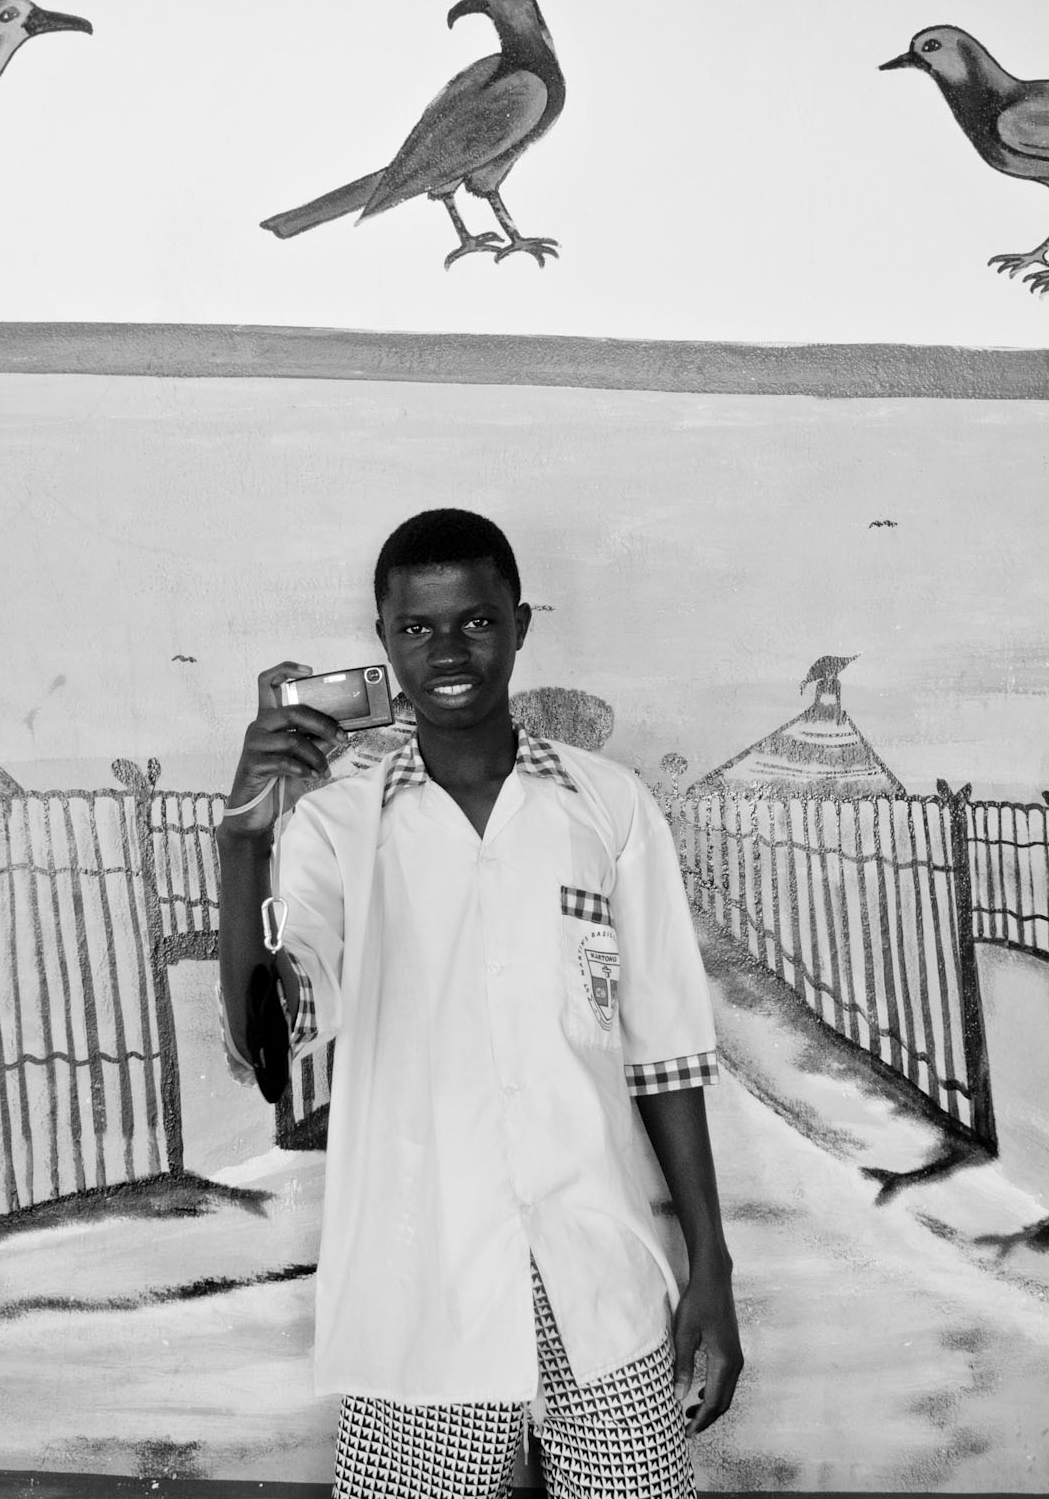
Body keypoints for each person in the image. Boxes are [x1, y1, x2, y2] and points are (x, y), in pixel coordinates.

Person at [215, 508, 742, 1497]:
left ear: (520, 625)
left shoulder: (607, 806)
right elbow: (267, 1034)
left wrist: (710, 1264)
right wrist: (243, 839)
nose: (448, 652)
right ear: (383, 642)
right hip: (423, 1281)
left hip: (598, 1272)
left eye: (477, 621)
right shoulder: (338, 826)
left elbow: (664, 1051)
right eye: (416, 628)